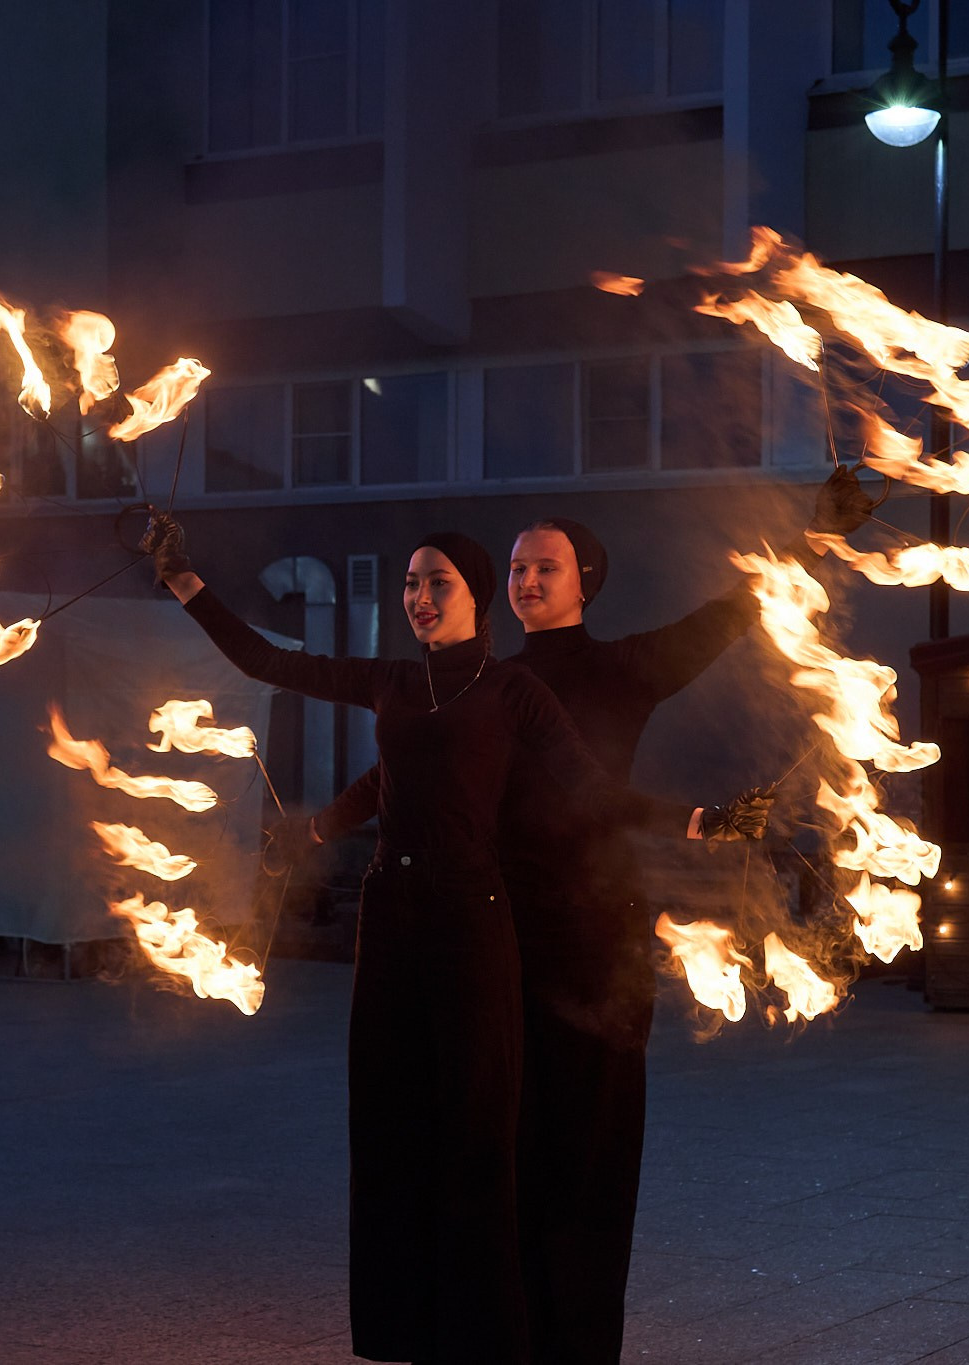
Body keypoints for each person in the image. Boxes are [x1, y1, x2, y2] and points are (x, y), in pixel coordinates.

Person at [146, 520, 766, 1365]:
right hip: (391, 918)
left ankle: (496, 1333)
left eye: (440, 582)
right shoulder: (397, 681)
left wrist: (699, 820)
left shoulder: (514, 693)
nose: (420, 597)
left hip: (480, 919)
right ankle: (420, 1327)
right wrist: (186, 582)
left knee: (482, 1135)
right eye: (411, 584)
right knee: (398, 1125)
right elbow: (278, 671)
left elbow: (592, 790)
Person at [302, 466, 875, 1365]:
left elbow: (733, 616)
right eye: (520, 568)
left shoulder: (625, 666)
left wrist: (813, 539)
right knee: (493, 1150)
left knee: (583, 1153)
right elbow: (407, 770)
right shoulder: (482, 677)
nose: (528, 581)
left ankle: (573, 1346)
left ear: (585, 583)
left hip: (593, 940)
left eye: (548, 568)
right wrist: (325, 822)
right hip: (493, 935)